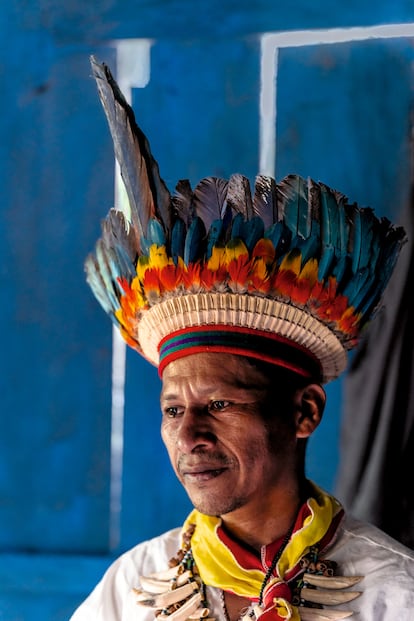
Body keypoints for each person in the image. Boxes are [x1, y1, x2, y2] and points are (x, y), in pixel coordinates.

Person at [71, 56, 414, 621]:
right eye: (172, 408)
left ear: (304, 411)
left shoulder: (393, 594)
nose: (189, 436)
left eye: (220, 403)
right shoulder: (130, 589)